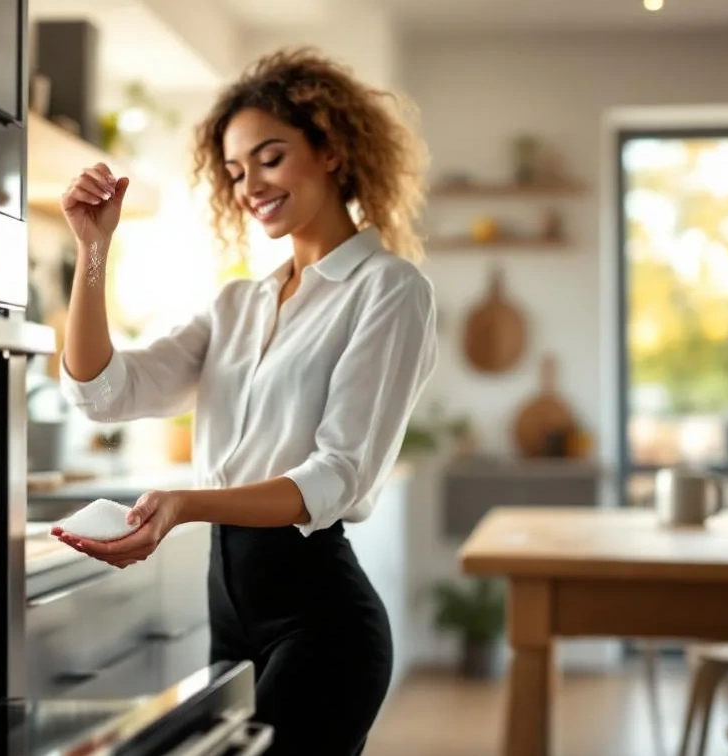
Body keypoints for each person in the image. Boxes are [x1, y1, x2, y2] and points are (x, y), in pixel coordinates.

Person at [52, 47, 438, 756]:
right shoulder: (237, 304)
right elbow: (104, 392)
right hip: (229, 614)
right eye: (234, 171)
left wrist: (185, 503)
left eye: (269, 158)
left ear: (330, 149)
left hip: (322, 626)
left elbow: (337, 476)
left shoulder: (390, 290)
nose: (250, 185)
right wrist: (93, 249)